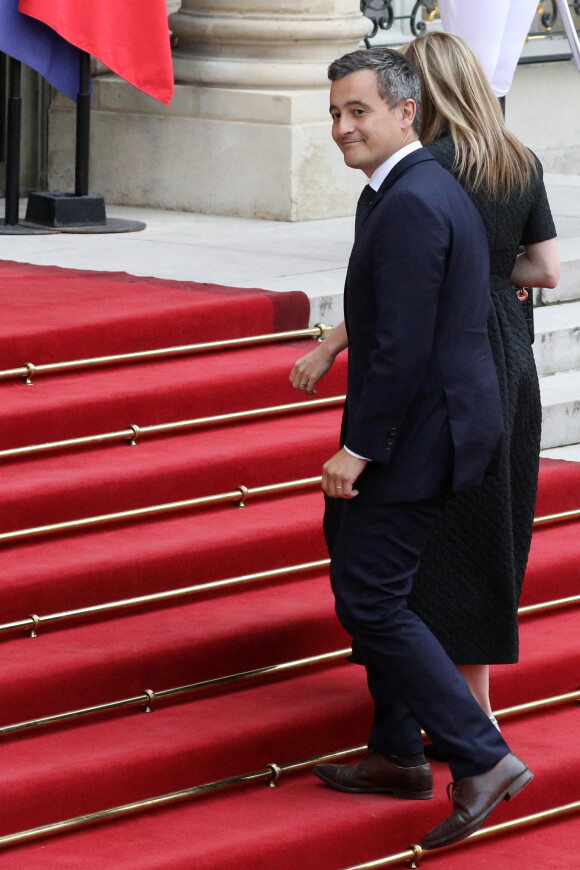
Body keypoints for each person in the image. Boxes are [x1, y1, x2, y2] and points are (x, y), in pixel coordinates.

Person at [290, 32, 559, 724]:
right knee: (494, 527)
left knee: (417, 532)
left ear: (416, 98)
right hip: (507, 355)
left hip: (443, 360)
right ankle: (471, 706)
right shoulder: (518, 159)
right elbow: (545, 271)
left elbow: (404, 290)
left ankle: (440, 716)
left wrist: (332, 346)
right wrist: (494, 281)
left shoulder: (421, 173)